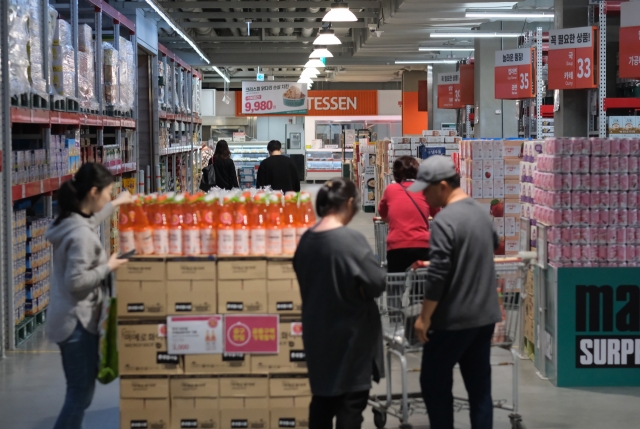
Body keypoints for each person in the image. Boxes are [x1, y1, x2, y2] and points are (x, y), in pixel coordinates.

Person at [408, 156, 502, 429]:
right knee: (479, 389)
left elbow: (438, 275)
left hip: (453, 320)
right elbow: (493, 244)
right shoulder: (480, 213)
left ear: (444, 185)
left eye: (426, 189)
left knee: (433, 383)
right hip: (484, 316)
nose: (423, 196)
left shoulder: (444, 221)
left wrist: (425, 317)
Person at [293, 178, 386, 429]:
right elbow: (377, 282)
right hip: (352, 337)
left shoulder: (306, 241)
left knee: (322, 401)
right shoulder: (350, 241)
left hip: (317, 333)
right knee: (350, 405)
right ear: (350, 203)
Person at [46, 163, 133, 429]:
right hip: (76, 323)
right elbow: (76, 282)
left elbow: (89, 221)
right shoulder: (81, 235)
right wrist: (109, 266)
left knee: (79, 391)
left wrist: (116, 204)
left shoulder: (69, 220)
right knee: (79, 395)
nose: (109, 196)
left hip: (66, 317)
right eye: (108, 193)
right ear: (93, 192)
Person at [378, 156, 439, 272]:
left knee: (395, 284)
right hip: (422, 245)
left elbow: (383, 213)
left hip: (397, 245)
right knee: (420, 285)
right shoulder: (426, 189)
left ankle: (396, 290)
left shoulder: (390, 189)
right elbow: (437, 213)